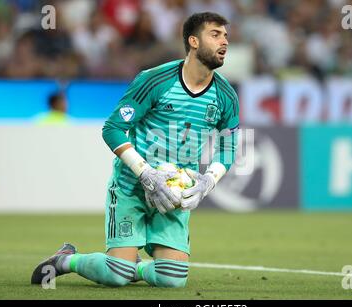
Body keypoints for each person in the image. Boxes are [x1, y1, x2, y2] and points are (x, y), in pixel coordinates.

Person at [31, 12, 240, 288]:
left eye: (225, 35)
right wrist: (146, 175)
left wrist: (207, 182)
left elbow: (229, 147)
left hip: (174, 194)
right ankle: (66, 260)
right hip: (133, 185)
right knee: (116, 275)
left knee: (172, 280)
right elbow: (113, 128)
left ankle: (134, 268)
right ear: (194, 41)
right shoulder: (155, 80)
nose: (224, 40)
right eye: (215, 34)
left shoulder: (226, 96)